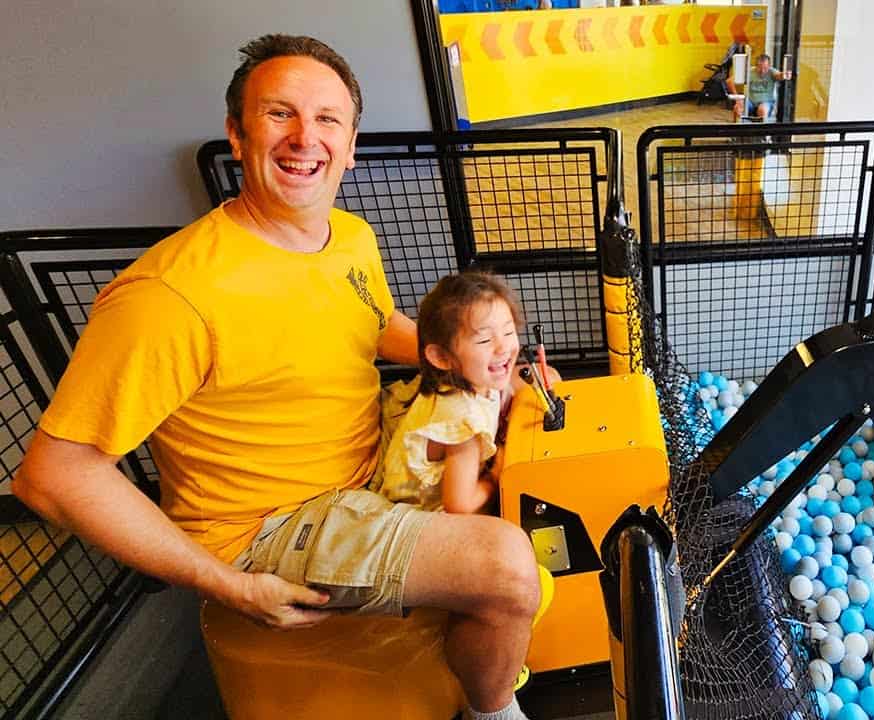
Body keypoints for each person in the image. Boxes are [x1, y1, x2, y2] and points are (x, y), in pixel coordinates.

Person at [13, 34, 539, 720]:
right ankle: (495, 712)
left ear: (350, 145)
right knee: (505, 564)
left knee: (523, 461)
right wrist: (229, 585)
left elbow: (375, 322)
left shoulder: (350, 237)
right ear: (237, 134)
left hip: (370, 474)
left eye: (327, 120)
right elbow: (52, 475)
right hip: (269, 529)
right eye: (278, 114)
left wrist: (491, 369)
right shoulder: (171, 296)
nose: (304, 138)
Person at [378, 271, 542, 514]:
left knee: (544, 378)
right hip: (428, 512)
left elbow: (507, 388)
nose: (503, 347)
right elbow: (460, 505)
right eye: (484, 340)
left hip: (451, 473)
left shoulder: (471, 377)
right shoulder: (463, 424)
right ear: (442, 357)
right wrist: (497, 475)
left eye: (508, 332)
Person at [728, 53, 790, 122]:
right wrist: (737, 98)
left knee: (762, 110)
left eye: (765, 68)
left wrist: (784, 74)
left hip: (765, 102)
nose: (762, 71)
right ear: (756, 66)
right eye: (760, 67)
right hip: (750, 102)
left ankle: (761, 131)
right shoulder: (750, 71)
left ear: (769, 66)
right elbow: (729, 81)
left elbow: (779, 76)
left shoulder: (772, 72)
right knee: (737, 108)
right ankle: (736, 129)